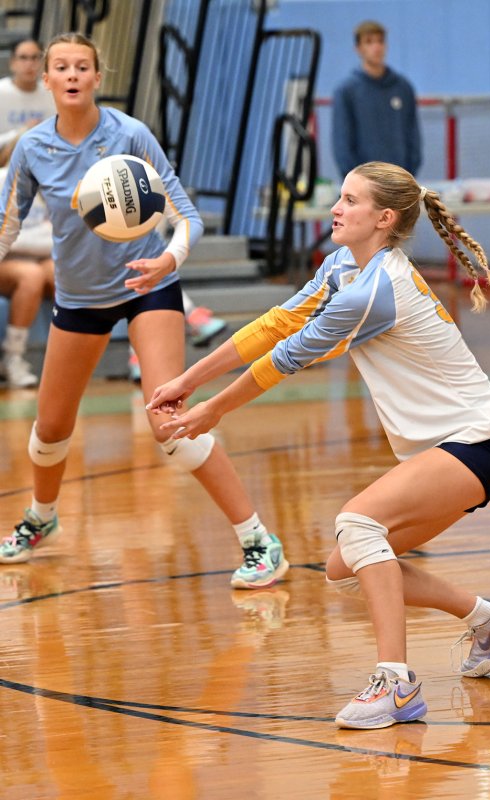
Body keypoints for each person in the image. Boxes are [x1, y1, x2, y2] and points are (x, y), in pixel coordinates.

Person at [147, 161, 490, 730]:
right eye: (339, 197)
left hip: (478, 442)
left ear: (383, 218)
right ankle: (488, 621)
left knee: (358, 524)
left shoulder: (376, 290)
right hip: (453, 448)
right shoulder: (342, 268)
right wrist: (187, 379)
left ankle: (396, 684)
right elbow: (274, 325)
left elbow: (288, 357)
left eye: (349, 200)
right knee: (347, 569)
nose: (335, 208)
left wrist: (209, 411)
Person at [0, 32, 289, 592]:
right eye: (61, 67)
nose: (72, 75)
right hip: (81, 298)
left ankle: (259, 540)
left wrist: (167, 259)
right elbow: (8, 227)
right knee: (50, 428)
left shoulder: (130, 134)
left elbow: (189, 217)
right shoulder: (32, 148)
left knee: (169, 423)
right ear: (50, 80)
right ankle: (42, 516)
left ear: (97, 76)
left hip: (147, 287)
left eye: (82, 65)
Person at [332, 20, 422, 180]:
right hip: (363, 186)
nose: (376, 47)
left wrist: (406, 176)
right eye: (369, 42)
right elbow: (342, 144)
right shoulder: (346, 91)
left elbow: (413, 134)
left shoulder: (403, 87)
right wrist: (358, 182)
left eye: (380, 41)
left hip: (398, 183)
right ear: (358, 49)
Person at [0, 168, 54, 388]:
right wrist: (40, 237)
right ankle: (12, 357)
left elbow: (62, 237)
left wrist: (25, 240)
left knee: (64, 275)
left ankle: (65, 362)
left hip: (38, 257)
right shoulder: (4, 180)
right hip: (5, 260)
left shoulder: (51, 183)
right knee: (31, 276)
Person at [0, 37, 56, 167]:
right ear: (12, 62)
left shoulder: (52, 92)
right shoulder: (2, 92)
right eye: (23, 58)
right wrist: (23, 131)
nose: (29, 64)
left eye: (35, 58)